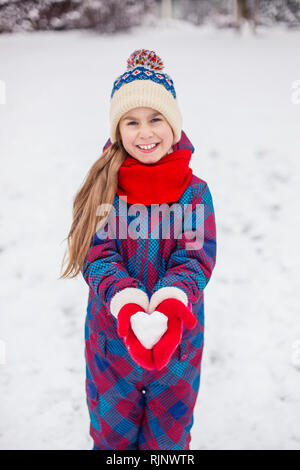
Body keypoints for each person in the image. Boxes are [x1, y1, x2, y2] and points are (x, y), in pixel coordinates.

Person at [60, 49, 217, 450]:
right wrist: (127, 304)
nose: (145, 133)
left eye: (155, 119)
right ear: (118, 130)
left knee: (167, 441)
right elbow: (98, 257)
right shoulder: (105, 186)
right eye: (132, 122)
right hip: (111, 343)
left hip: (177, 343)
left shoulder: (193, 192)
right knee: (112, 440)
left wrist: (167, 308)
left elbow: (195, 256)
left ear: (174, 124)